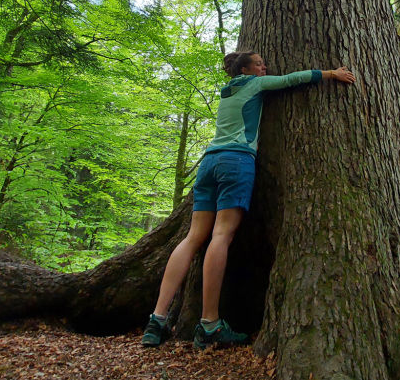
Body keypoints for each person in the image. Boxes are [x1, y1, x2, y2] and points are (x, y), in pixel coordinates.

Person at [142, 51, 356, 349]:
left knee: (193, 238)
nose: (264, 67)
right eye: (259, 63)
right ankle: (209, 325)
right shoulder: (254, 84)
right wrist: (331, 74)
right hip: (235, 161)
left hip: (209, 163)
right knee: (221, 235)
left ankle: (158, 319)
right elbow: (292, 79)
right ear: (246, 69)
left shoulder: (227, 91)